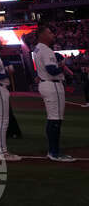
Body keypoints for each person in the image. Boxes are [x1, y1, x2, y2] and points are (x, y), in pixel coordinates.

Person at [32, 25, 75, 161]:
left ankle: (53, 151)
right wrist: (62, 65)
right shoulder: (45, 50)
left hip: (46, 84)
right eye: (49, 33)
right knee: (55, 119)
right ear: (42, 35)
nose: (52, 35)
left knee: (53, 118)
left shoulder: (38, 49)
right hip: (52, 85)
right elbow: (52, 70)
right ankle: (54, 153)